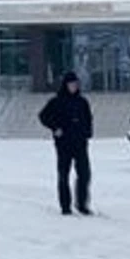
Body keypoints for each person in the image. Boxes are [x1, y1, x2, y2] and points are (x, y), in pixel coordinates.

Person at [37, 71, 94, 215]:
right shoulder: (56, 101)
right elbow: (43, 116)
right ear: (65, 85)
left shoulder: (82, 102)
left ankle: (82, 203)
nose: (74, 87)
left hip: (80, 143)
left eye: (76, 84)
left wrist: (87, 133)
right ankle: (65, 206)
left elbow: (88, 118)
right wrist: (55, 128)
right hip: (64, 144)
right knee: (64, 174)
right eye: (71, 84)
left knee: (84, 173)